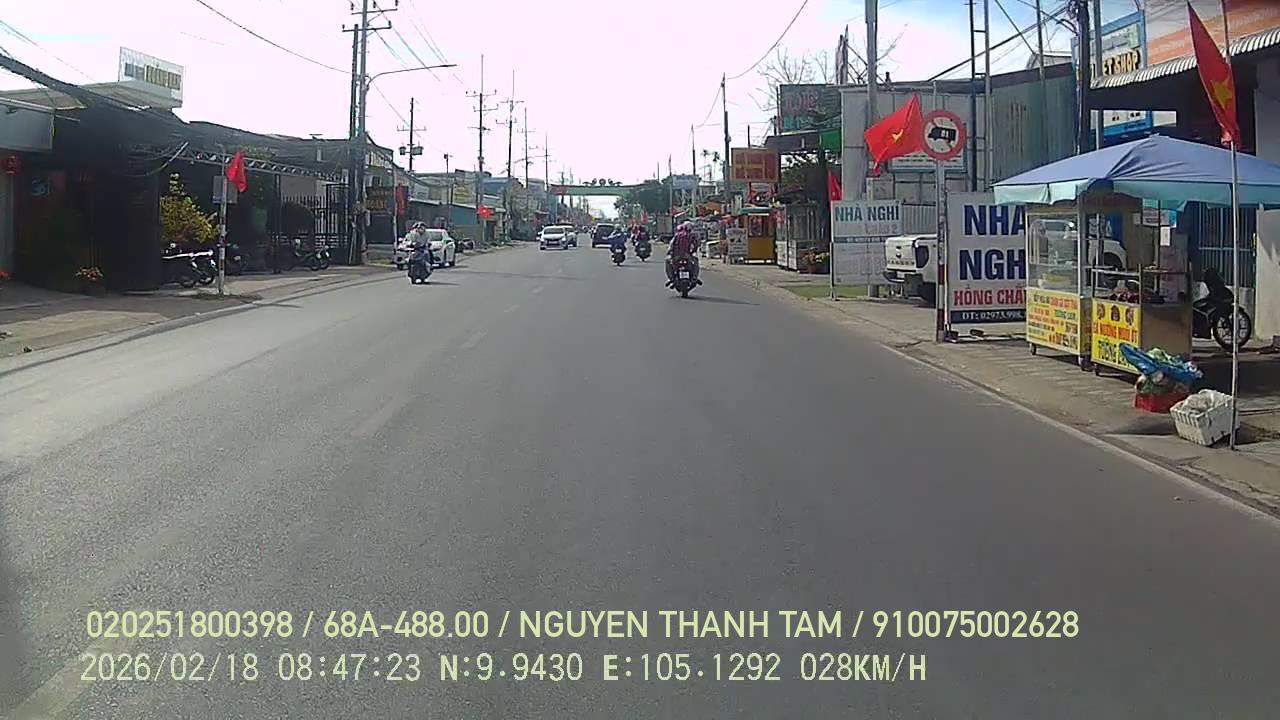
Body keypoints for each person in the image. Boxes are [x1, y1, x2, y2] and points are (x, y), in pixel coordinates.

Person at [666, 221, 700, 287]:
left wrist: (670, 252)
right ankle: (694, 277)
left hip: (676, 256)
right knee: (696, 261)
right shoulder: (691, 235)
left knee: (668, 262)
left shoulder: (676, 235)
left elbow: (671, 245)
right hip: (687, 256)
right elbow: (695, 245)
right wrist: (692, 252)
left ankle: (671, 278)